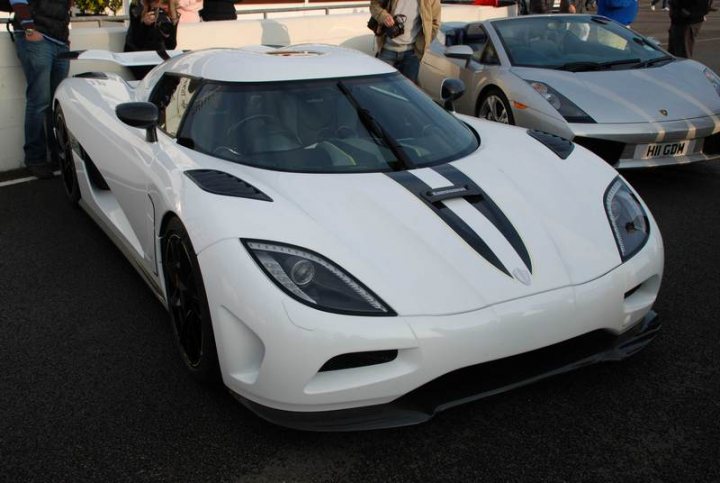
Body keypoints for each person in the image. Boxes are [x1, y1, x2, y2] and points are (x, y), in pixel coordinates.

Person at [10, 0, 71, 179]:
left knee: (56, 103)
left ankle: (58, 155)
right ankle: (35, 159)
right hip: (37, 38)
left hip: (59, 41)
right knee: (40, 101)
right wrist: (29, 29)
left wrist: (65, 39)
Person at [369, 0, 441, 84]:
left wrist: (424, 43)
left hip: (412, 54)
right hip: (386, 50)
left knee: (408, 94)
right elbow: (374, 5)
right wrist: (383, 16)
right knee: (382, 90)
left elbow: (435, 23)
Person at [124, 0, 179, 78]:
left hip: (159, 55)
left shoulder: (169, 5)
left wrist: (171, 24)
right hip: (137, 56)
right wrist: (145, 25)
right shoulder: (138, 5)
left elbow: (171, 46)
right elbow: (138, 42)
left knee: (174, 76)